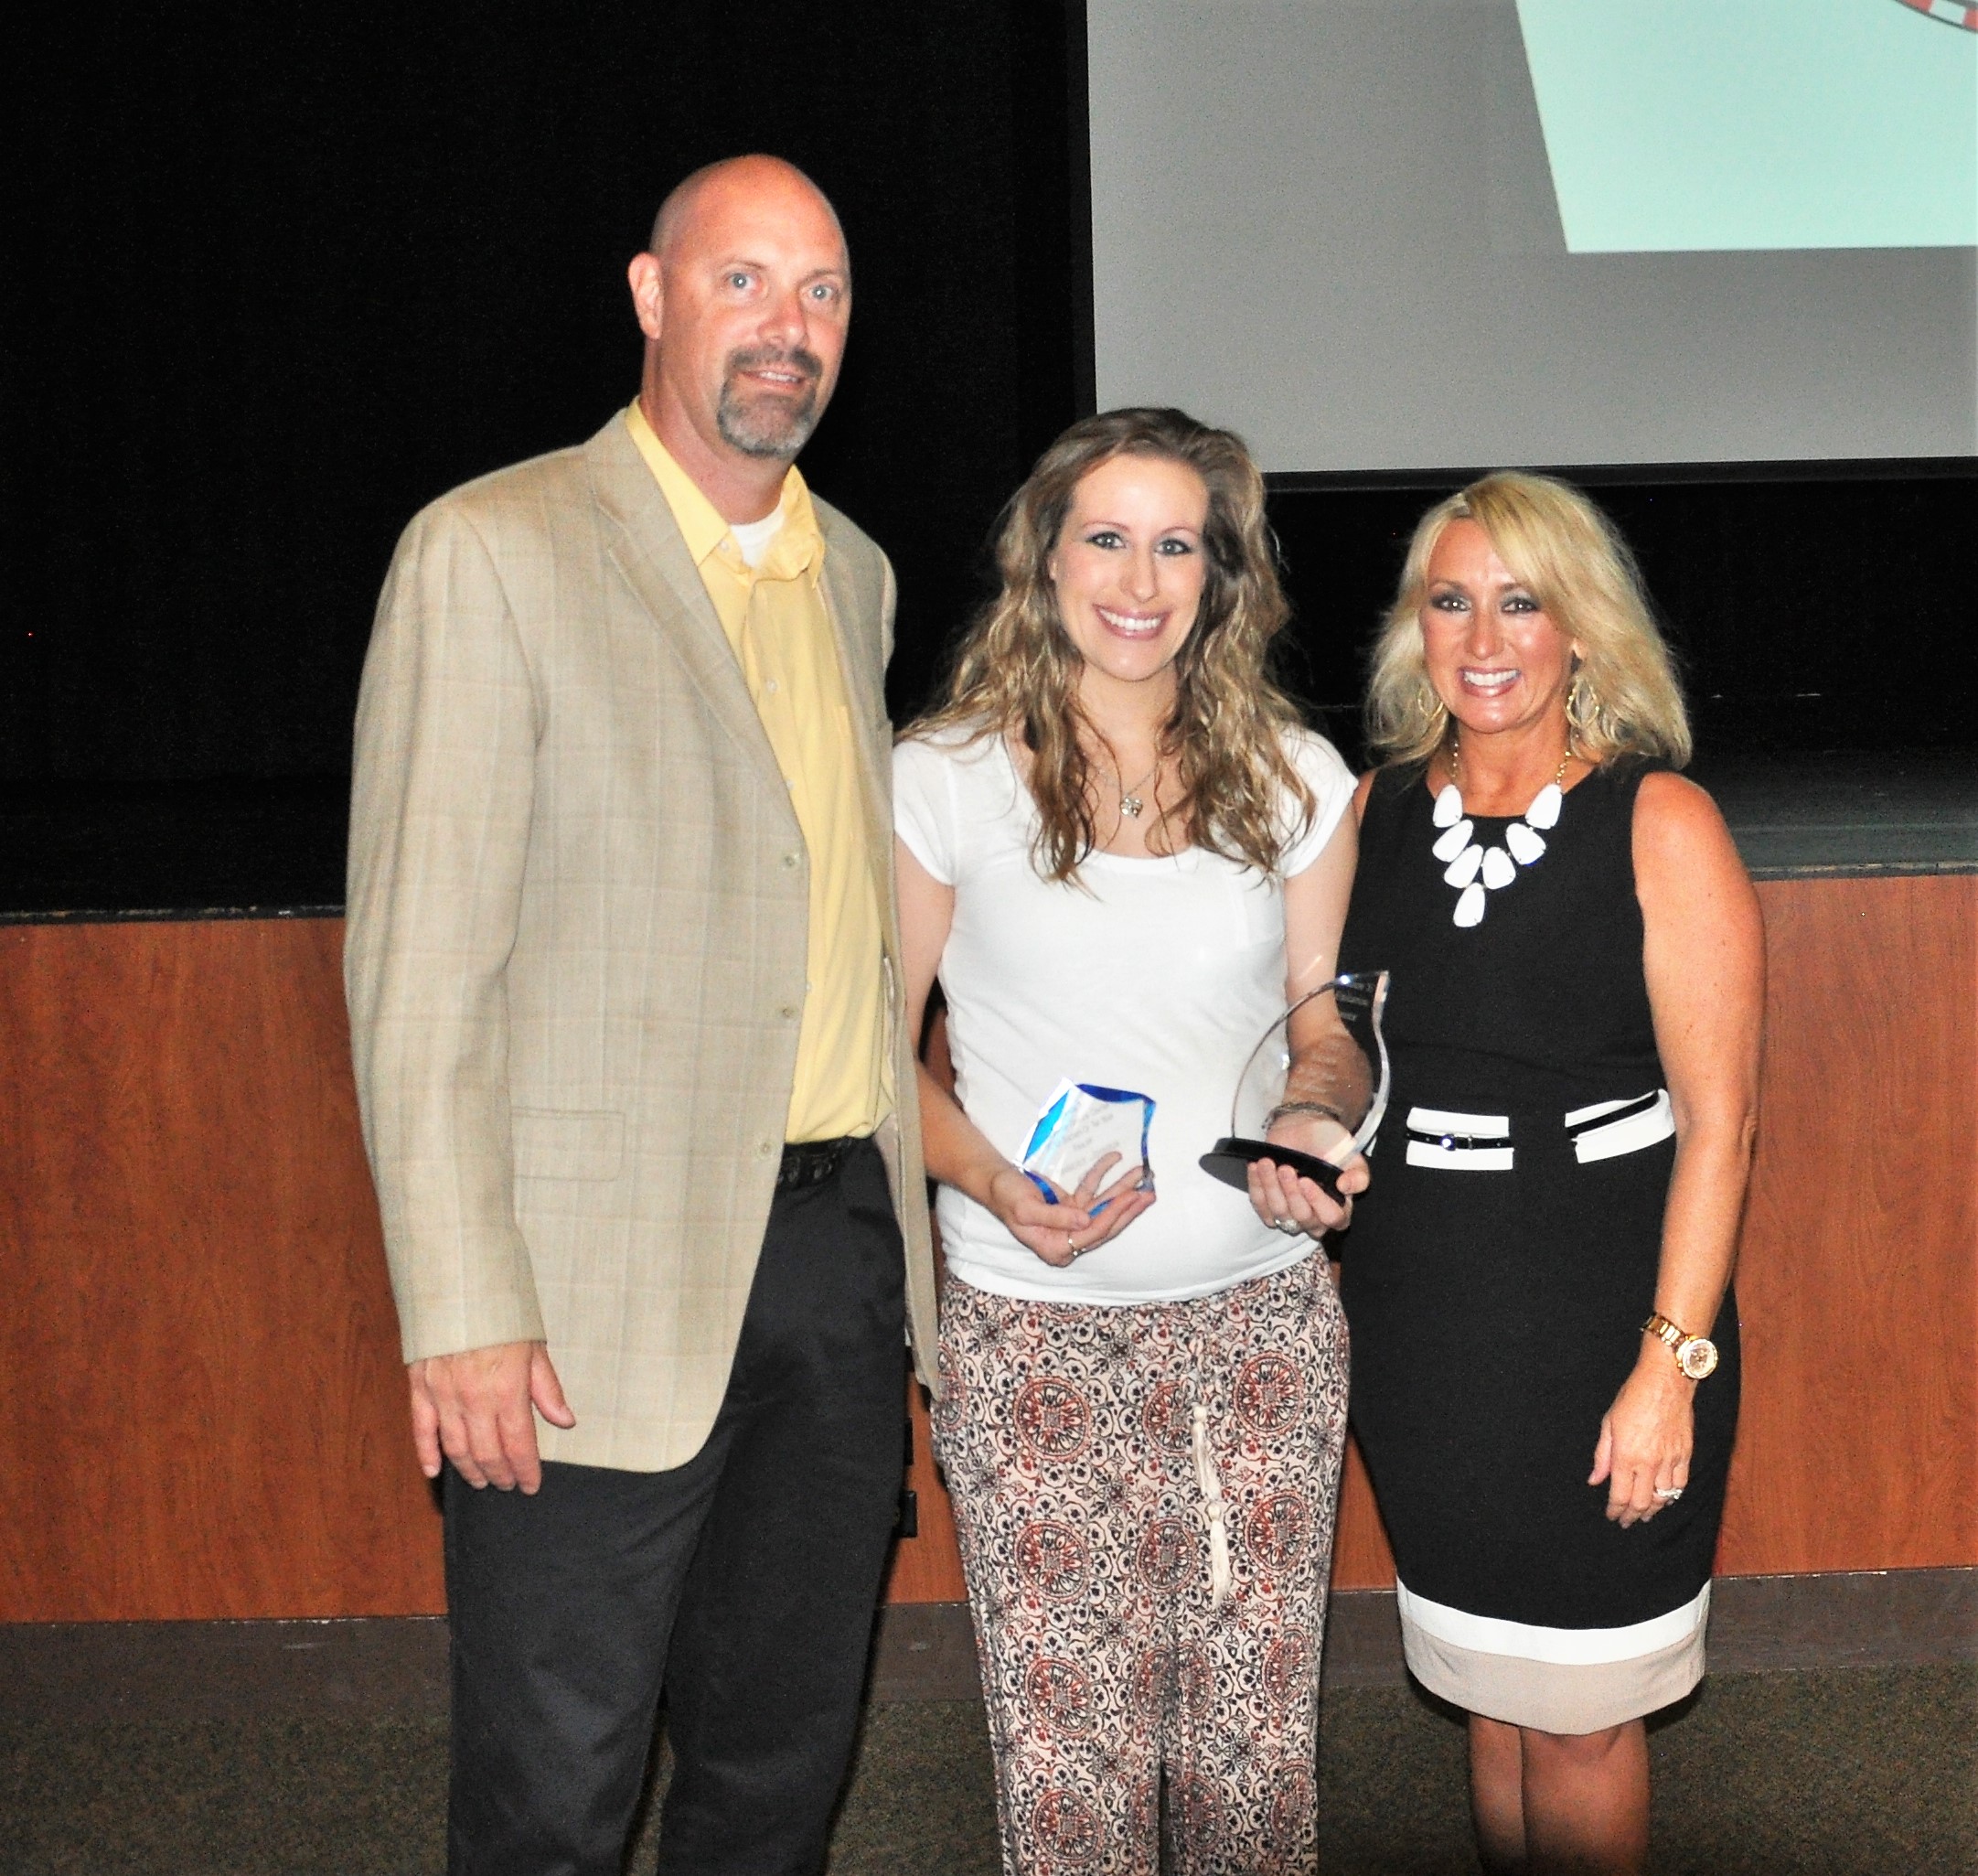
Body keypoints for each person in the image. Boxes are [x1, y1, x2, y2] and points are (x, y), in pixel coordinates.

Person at [344, 155, 937, 1875]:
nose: (787, 328)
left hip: (833, 1270)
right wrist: (457, 1304)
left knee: (781, 1766)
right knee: (553, 1789)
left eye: (821, 292)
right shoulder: (492, 551)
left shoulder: (855, 575)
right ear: (650, 295)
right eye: (742, 281)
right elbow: (420, 972)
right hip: (583, 1303)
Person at [894, 407, 1364, 1873]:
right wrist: (989, 1180)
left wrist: (1314, 1110)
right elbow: (860, 1044)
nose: (1141, 580)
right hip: (1032, 1339)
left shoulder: (1296, 775)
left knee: (1253, 1767)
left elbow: (1328, 1024)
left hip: (1261, 1334)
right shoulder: (945, 775)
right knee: (1071, 1774)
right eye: (1108, 537)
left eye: (1179, 546)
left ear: (1221, 579)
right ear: (1045, 558)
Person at [1333, 473, 1763, 1874]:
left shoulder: (1660, 822)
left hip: (1603, 1321)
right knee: (1496, 1694)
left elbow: (1723, 1121)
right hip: (1421, 1324)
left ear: (1582, 629)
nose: (1486, 635)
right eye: (1450, 600)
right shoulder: (1372, 813)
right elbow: (1335, 1053)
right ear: (1416, 628)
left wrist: (1669, 1365)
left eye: (1523, 601)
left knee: (1580, 1720)